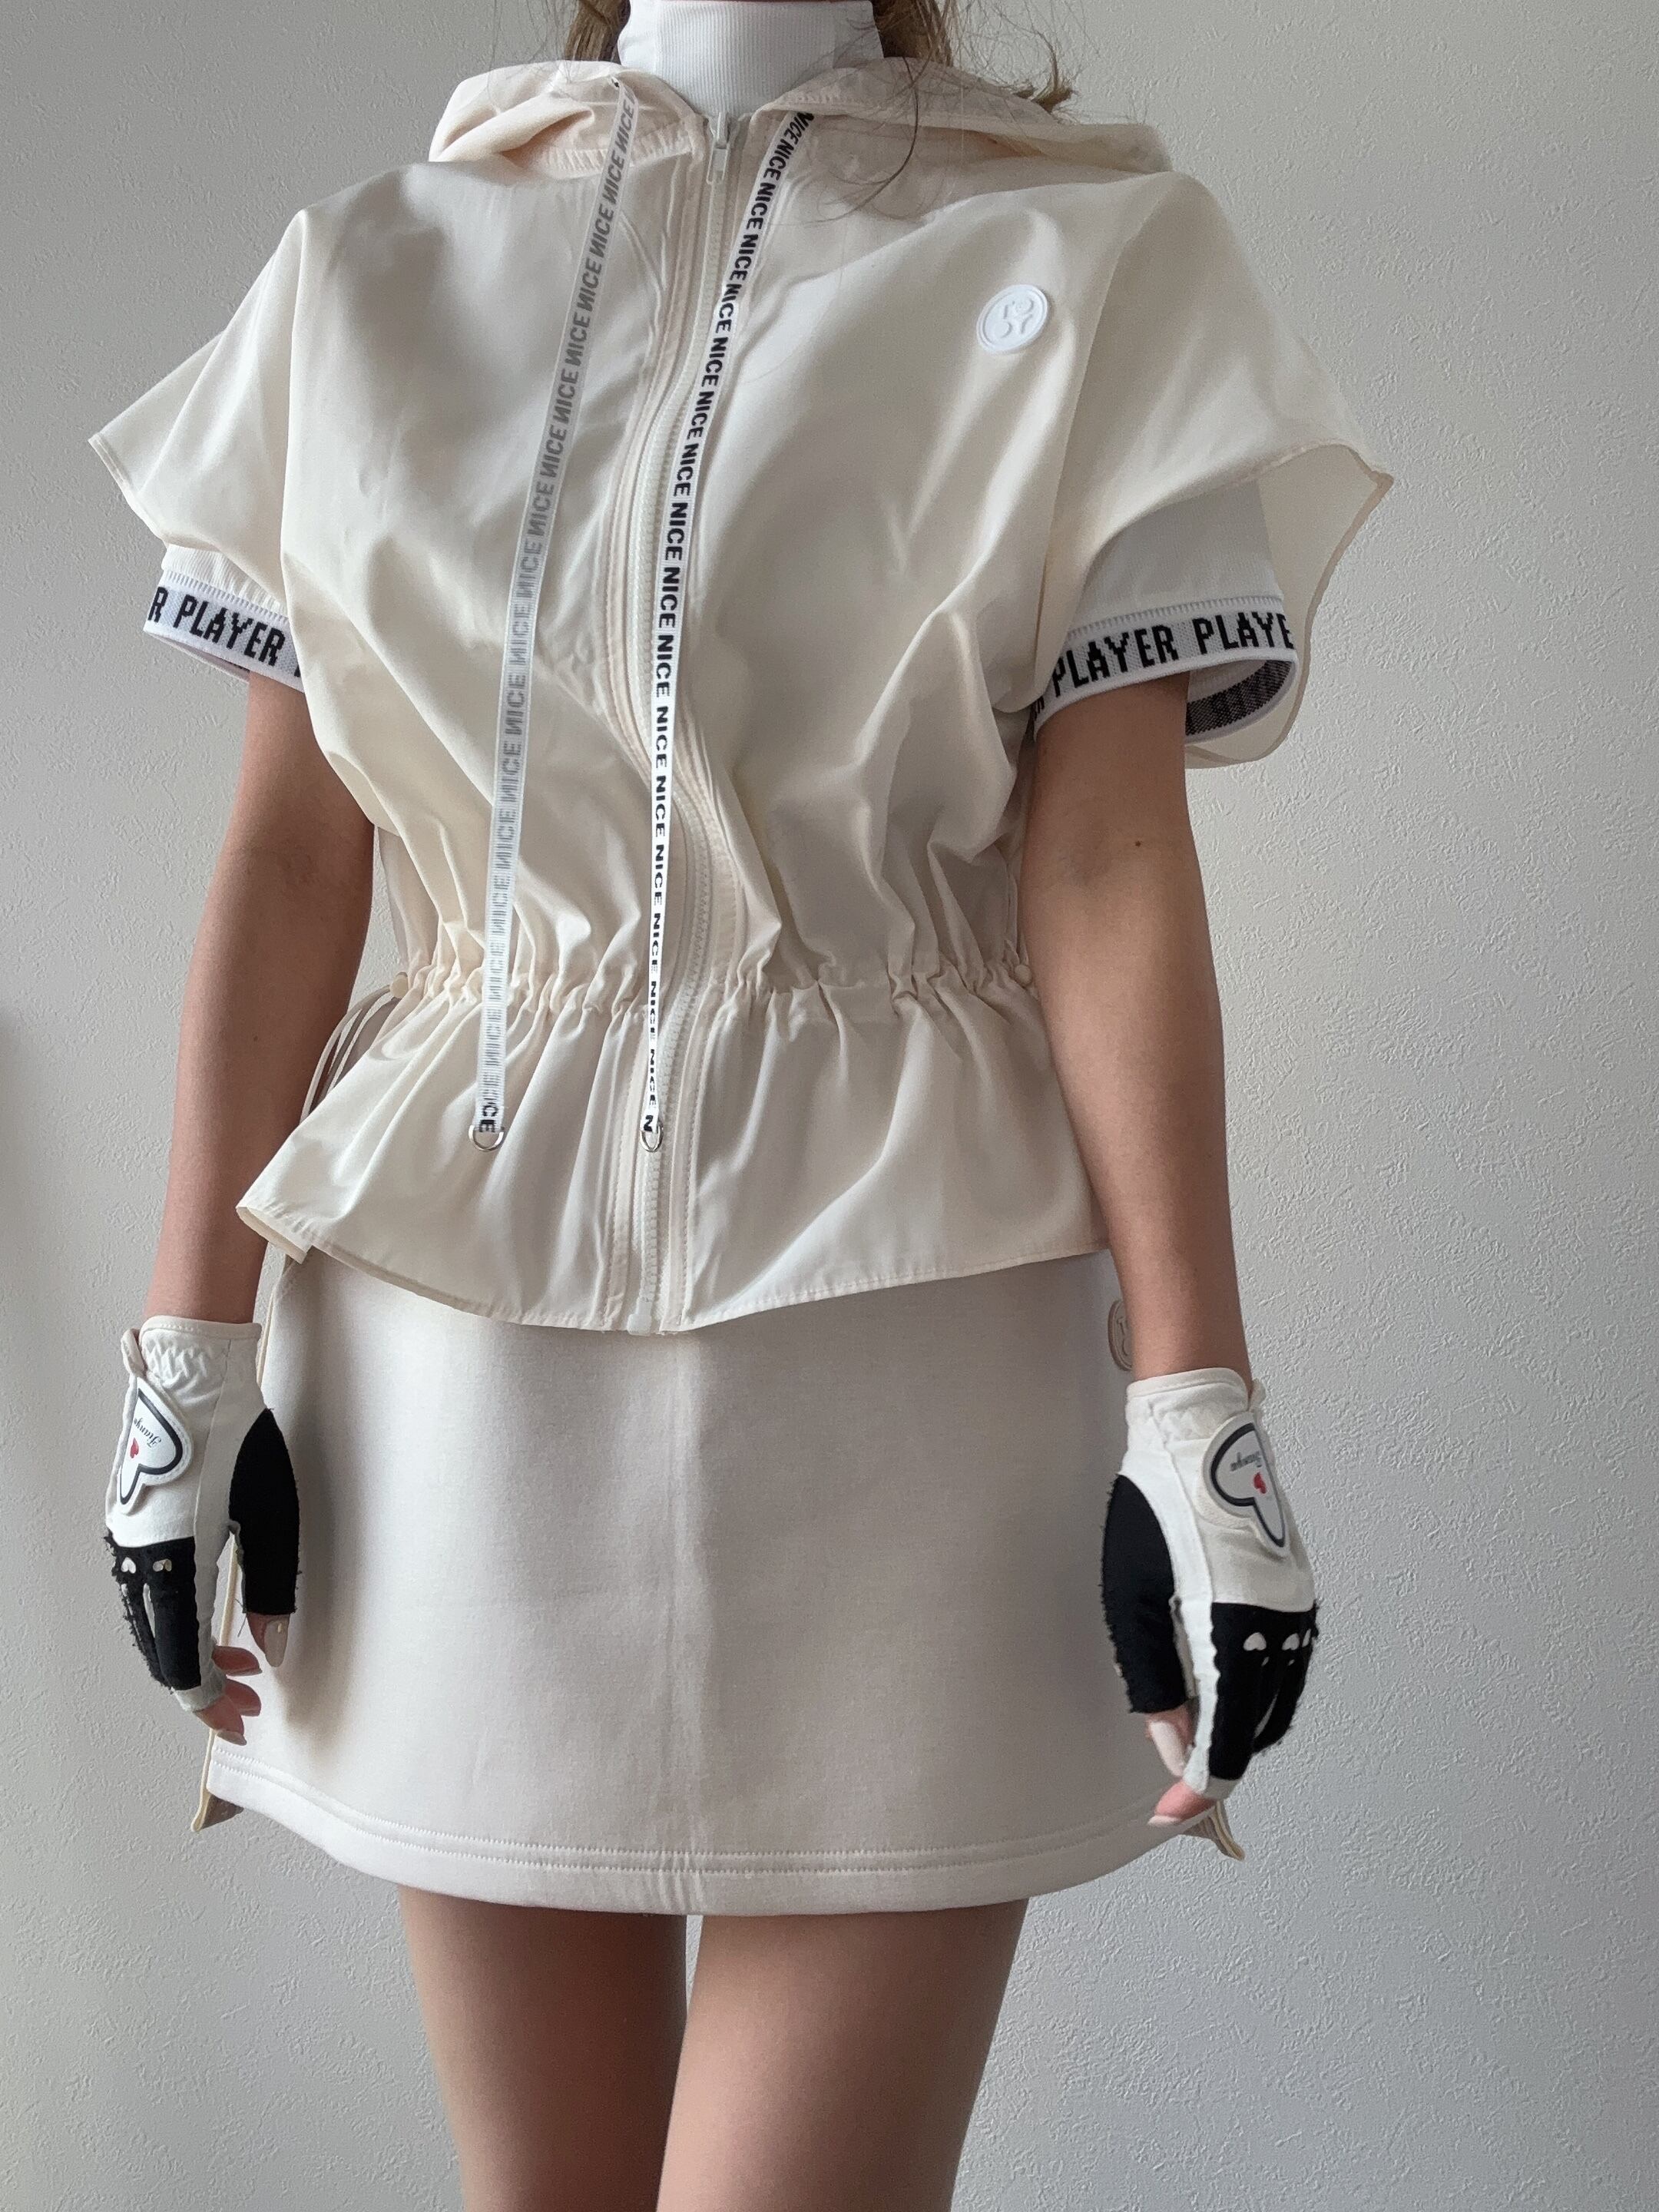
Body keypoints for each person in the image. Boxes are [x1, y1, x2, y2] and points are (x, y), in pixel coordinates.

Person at [90, 1, 1391, 2203]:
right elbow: (297, 857)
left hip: (914, 1352)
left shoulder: (1095, 259)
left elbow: (1104, 864)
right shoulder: (370, 270)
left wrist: (1202, 1417)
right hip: (454, 1365)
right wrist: (182, 1362)